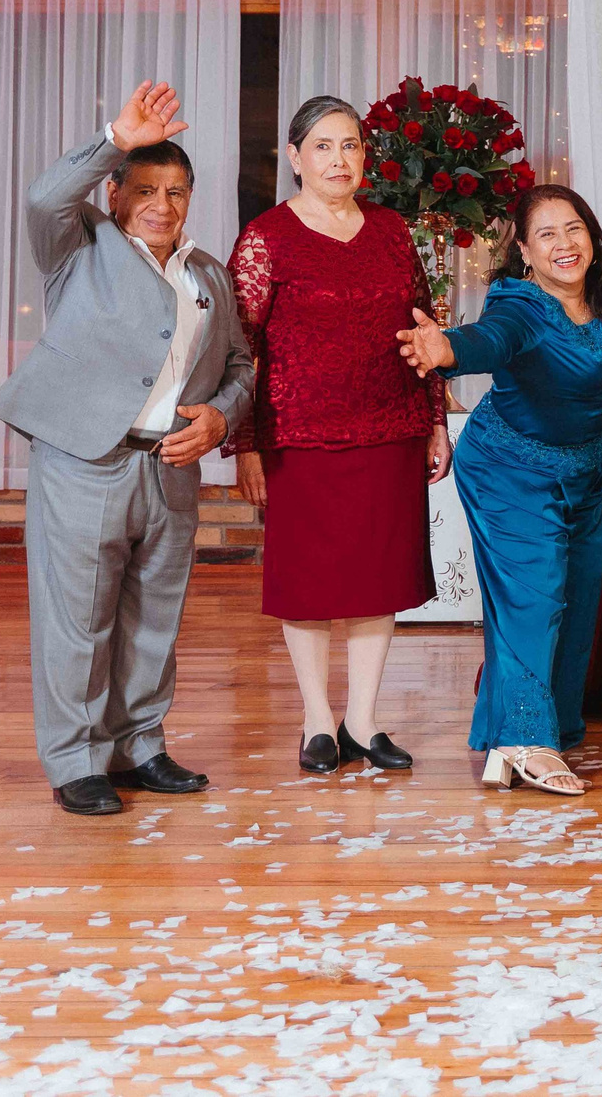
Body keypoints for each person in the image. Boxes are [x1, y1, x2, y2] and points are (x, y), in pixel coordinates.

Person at [0, 82, 255, 816]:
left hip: (171, 468)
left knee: (153, 620)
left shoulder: (208, 274)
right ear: (115, 193)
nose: (161, 204)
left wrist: (220, 419)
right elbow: (45, 198)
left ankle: (139, 745)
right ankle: (76, 760)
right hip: (84, 462)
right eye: (144, 188)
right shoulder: (78, 246)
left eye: (175, 191)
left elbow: (240, 366)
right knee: (79, 620)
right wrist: (115, 138)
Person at [227, 97, 451, 777]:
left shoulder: (391, 230)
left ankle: (363, 720)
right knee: (309, 583)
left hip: (391, 427)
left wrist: (436, 419)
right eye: (322, 146)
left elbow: (423, 326)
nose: (339, 159)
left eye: (350, 145)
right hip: (298, 435)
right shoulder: (265, 238)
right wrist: (245, 444)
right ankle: (317, 721)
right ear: (295, 158)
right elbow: (240, 349)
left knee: (378, 577)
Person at [396, 185, 602, 795]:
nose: (565, 244)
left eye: (574, 228)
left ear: (592, 236)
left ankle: (528, 734)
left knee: (577, 601)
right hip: (509, 471)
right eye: (547, 235)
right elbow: (490, 339)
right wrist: (448, 348)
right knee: (535, 598)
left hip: (585, 473)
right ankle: (525, 740)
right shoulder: (521, 305)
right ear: (525, 253)